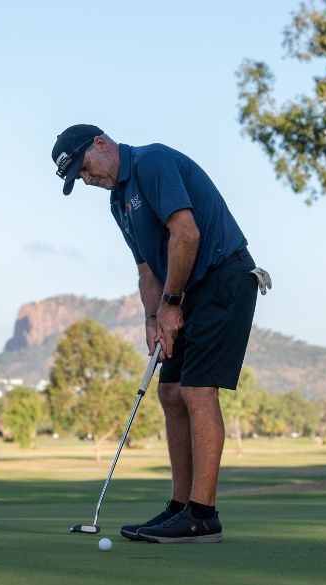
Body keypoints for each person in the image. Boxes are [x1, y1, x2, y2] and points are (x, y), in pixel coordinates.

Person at [51, 124, 270, 543]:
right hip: (184, 291)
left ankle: (202, 515)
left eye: (84, 167)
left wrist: (171, 305)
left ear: (101, 144)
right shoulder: (119, 203)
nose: (86, 177)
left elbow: (186, 233)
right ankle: (180, 506)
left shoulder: (151, 163)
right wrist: (153, 319)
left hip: (223, 277)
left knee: (196, 390)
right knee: (169, 392)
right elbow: (147, 268)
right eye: (78, 176)